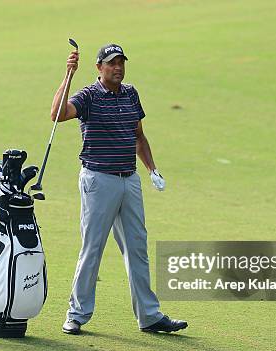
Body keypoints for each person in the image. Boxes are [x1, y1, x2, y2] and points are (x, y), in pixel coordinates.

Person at [50, 44, 188, 334]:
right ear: (99, 67)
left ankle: (149, 316)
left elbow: (138, 135)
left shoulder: (130, 94)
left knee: (138, 249)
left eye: (121, 62)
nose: (118, 67)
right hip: (99, 180)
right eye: (112, 63)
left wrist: (152, 169)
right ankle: (76, 314)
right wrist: (68, 75)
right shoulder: (88, 96)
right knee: (93, 249)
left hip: (130, 180)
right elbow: (58, 114)